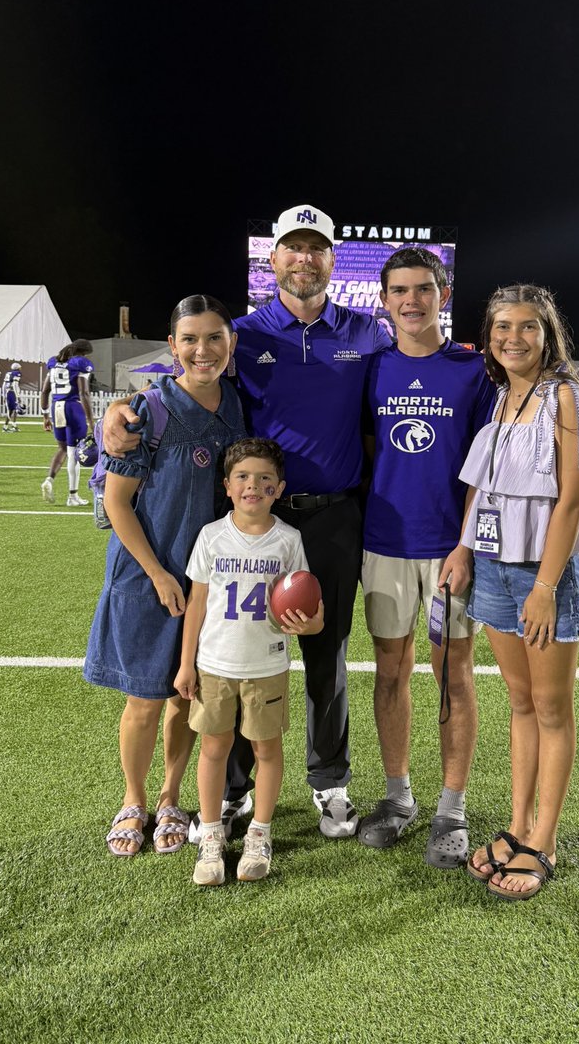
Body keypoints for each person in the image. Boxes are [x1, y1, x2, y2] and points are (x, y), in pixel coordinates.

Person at [103, 204, 391, 839]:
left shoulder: (366, 332)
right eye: (293, 247)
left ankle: (330, 783)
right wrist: (120, 406)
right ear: (274, 258)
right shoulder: (244, 334)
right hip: (256, 517)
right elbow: (186, 376)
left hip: (334, 517)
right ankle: (234, 789)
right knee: (233, 652)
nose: (304, 259)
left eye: (316, 248)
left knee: (326, 652)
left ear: (332, 260)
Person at [457, 284, 579, 902]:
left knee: (550, 708)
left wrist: (545, 587)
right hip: (493, 565)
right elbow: (482, 487)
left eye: (526, 327)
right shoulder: (502, 395)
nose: (512, 338)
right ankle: (517, 825)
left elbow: (570, 500)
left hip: (543, 573)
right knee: (519, 702)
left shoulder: (565, 396)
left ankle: (544, 839)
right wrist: (463, 547)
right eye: (502, 328)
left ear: (548, 335)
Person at [83, 295, 245, 857]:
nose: (203, 350)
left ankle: (171, 797)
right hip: (146, 577)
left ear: (231, 344)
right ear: (172, 346)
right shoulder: (146, 410)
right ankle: (133, 799)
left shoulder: (236, 405)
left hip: (206, 584)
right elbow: (117, 503)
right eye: (190, 339)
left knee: (184, 695)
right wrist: (156, 573)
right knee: (143, 700)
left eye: (215, 338)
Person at [357, 247, 495, 867]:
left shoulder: (472, 370)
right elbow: (368, 449)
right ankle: (398, 796)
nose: (411, 301)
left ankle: (451, 807)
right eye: (400, 291)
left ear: (444, 295)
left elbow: (485, 469)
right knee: (390, 670)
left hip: (449, 550)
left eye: (423, 289)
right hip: (384, 544)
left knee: (452, 674)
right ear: (384, 301)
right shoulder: (372, 369)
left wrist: (465, 544)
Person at [175, 438, 324, 884]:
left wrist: (311, 624)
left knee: (267, 750)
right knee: (213, 747)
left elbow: (309, 604)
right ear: (226, 485)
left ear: (280, 488)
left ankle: (260, 831)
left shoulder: (289, 539)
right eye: (242, 477)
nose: (252, 486)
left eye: (264, 478)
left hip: (267, 664)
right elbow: (196, 605)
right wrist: (185, 664)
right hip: (214, 663)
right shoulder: (211, 536)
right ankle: (211, 834)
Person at [41, 340, 95, 506]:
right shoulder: (80, 363)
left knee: (63, 448)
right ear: (83, 353)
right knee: (73, 452)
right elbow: (84, 393)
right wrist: (91, 420)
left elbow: (45, 391)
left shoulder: (54, 362)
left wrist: (45, 415)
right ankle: (72, 496)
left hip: (56, 407)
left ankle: (49, 480)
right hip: (73, 408)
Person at [2, 363, 22, 433]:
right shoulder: (17, 373)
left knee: (14, 410)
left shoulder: (8, 373)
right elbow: (15, 385)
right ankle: (5, 427)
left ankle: (13, 426)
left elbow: (4, 385)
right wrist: (18, 396)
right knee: (11, 410)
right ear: (17, 368)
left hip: (8, 392)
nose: (20, 369)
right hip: (12, 392)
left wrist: (4, 395)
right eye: (20, 367)